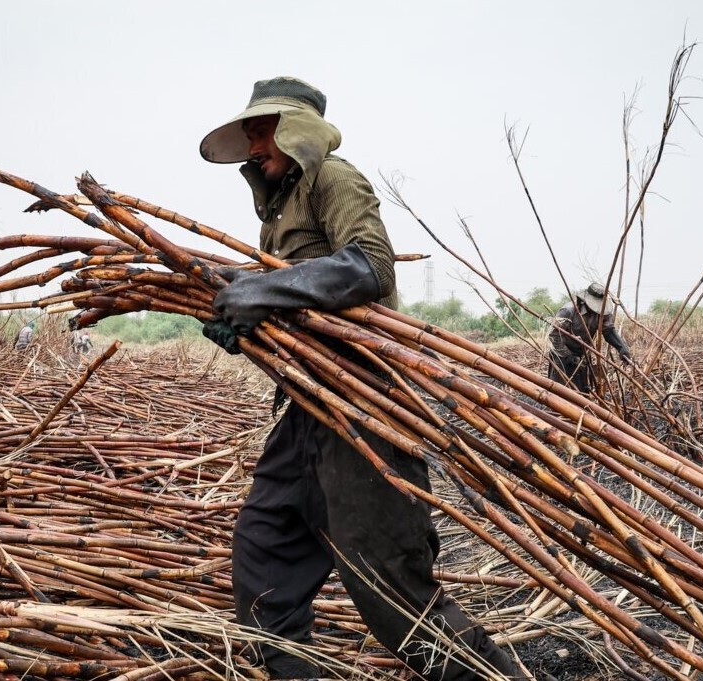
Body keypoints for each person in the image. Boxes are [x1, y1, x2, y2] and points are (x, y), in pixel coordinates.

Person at [199, 76, 531, 680]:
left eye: (261, 130)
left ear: (296, 130)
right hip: (305, 401)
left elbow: (367, 266)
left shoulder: (335, 177)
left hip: (362, 403)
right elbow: (295, 292)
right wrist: (239, 306)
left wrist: (262, 290)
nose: (253, 145)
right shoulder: (279, 207)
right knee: (264, 552)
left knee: (392, 589)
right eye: (248, 133)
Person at [547, 282, 632, 393]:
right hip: (561, 354)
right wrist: (568, 355)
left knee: (581, 391)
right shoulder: (569, 310)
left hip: (582, 354)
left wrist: (621, 347)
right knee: (560, 391)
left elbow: (608, 331)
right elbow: (554, 335)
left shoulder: (603, 312)